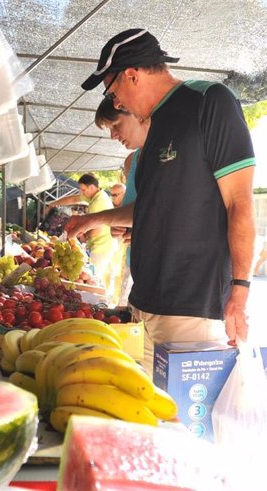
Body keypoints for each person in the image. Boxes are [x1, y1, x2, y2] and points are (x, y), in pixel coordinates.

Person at [69, 28, 256, 372]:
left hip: (190, 306)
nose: (117, 104)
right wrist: (96, 220)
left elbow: (240, 204)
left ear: (132, 75)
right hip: (145, 301)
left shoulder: (209, 102)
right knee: (149, 418)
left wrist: (240, 291)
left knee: (182, 419)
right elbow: (151, 208)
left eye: (113, 93)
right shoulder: (153, 129)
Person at [94, 97, 151, 307]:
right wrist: (120, 225)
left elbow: (159, 212)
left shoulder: (168, 158)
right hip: (133, 262)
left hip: (159, 270)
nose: (113, 135)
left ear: (137, 113)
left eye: (116, 125)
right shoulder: (131, 161)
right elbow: (136, 210)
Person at [46, 173, 118, 301]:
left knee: (94, 279)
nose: (82, 192)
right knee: (95, 276)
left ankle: (97, 303)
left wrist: (84, 236)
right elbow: (74, 199)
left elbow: (98, 228)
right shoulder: (97, 196)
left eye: (83, 190)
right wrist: (54, 204)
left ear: (91, 188)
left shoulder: (98, 202)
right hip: (102, 244)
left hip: (101, 246)